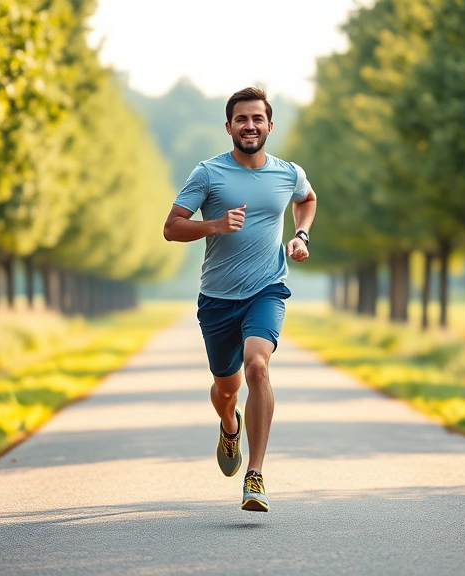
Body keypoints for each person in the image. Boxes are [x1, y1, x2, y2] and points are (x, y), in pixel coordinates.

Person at [162, 87, 317, 512]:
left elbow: (307, 199)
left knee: (258, 366)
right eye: (242, 119)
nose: (250, 126)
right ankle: (229, 425)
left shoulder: (288, 173)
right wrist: (214, 225)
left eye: (258, 119)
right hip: (216, 299)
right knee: (226, 390)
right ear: (229, 127)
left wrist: (301, 235)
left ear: (270, 125)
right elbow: (172, 227)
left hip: (267, 289)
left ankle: (256, 475)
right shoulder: (208, 173)